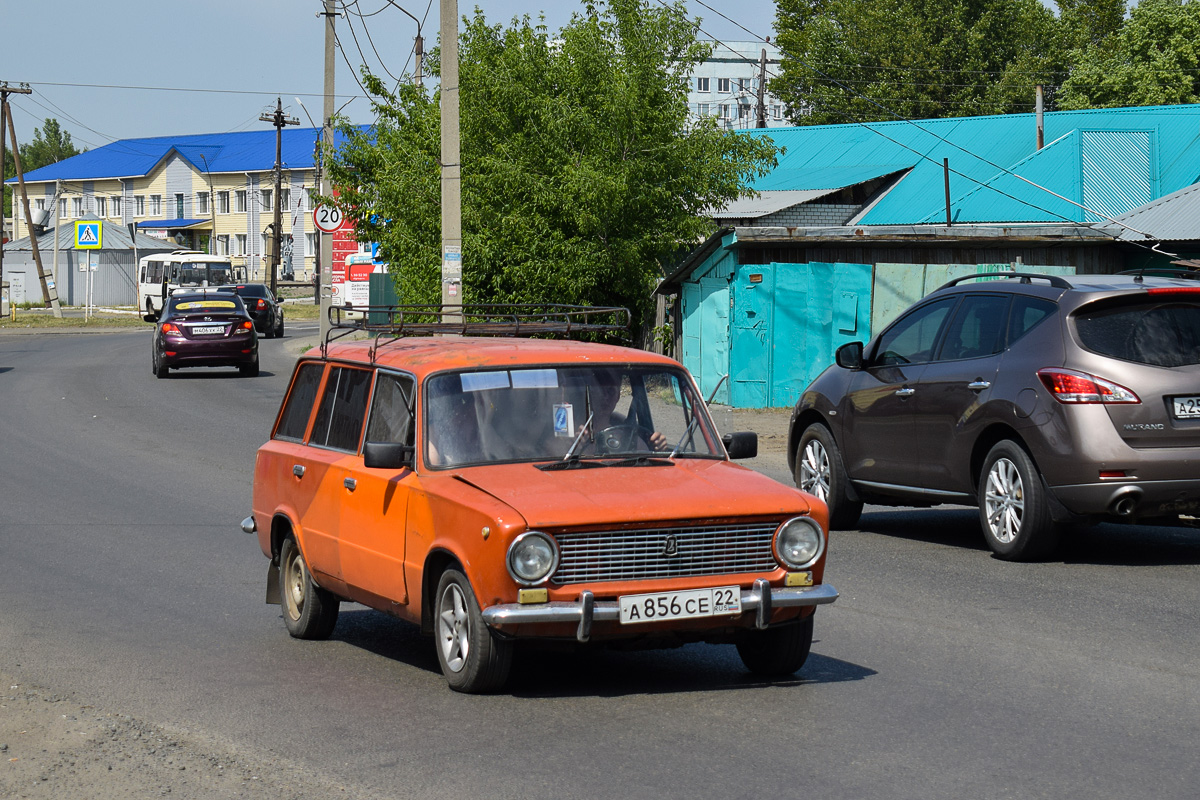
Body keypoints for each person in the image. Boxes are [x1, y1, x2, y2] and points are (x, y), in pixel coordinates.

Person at [585, 368, 667, 453]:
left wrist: (657, 448)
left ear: (618, 396)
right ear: (590, 393)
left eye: (611, 391)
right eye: (601, 391)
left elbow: (646, 461)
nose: (605, 397)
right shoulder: (577, 434)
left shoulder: (630, 437)